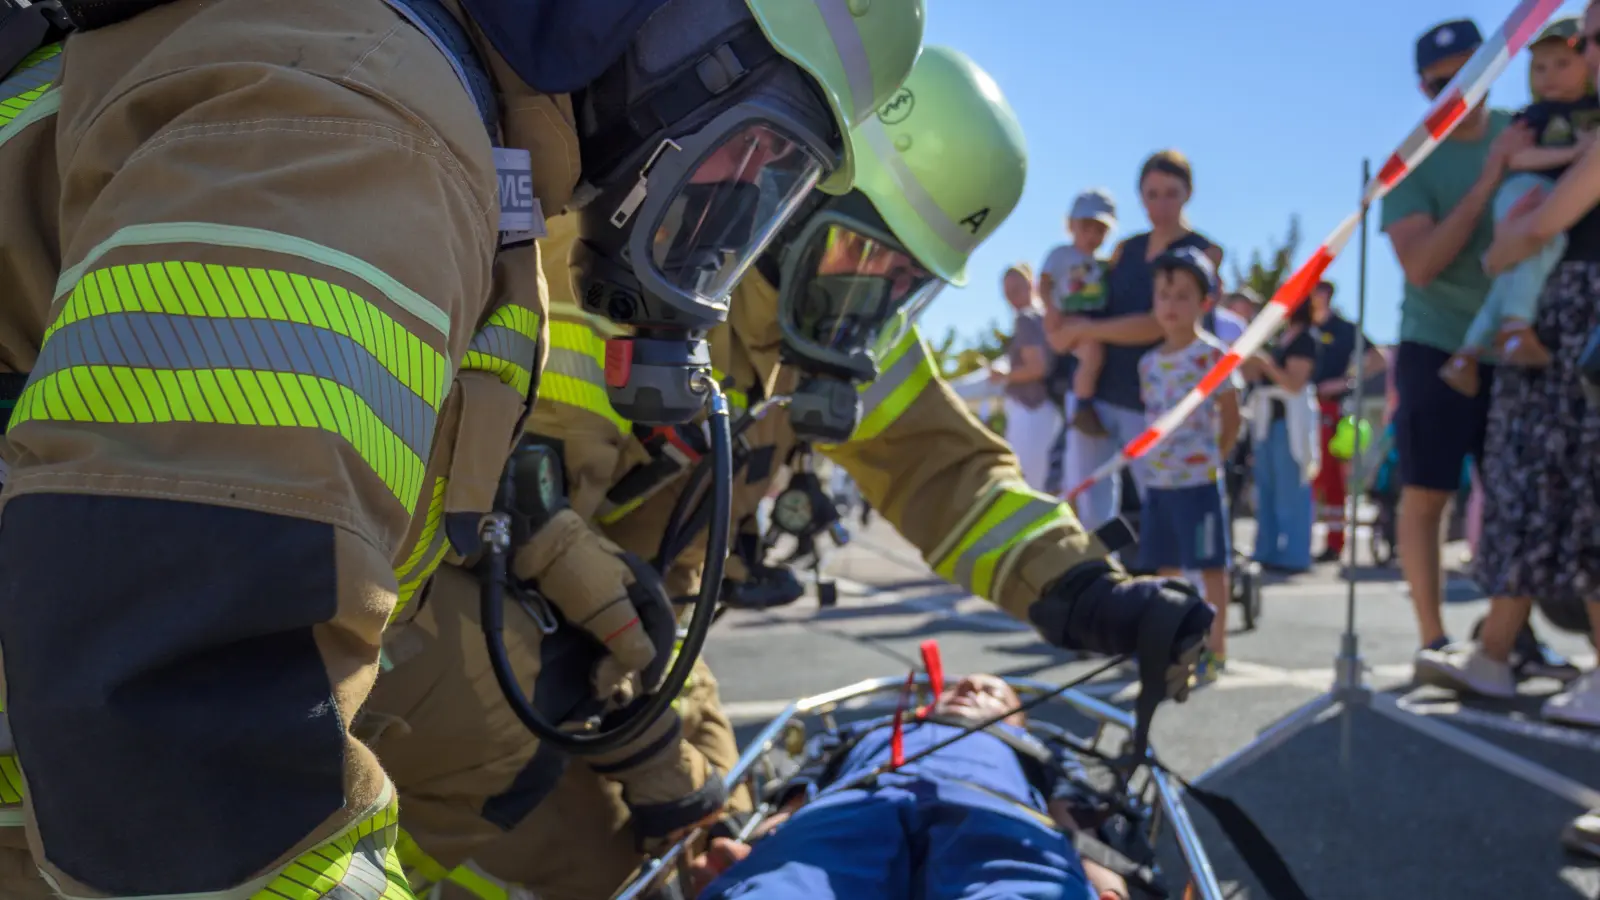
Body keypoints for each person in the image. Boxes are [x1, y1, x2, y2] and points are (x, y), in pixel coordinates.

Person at [0, 0, 928, 895]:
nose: (727, 204)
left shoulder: (429, 117)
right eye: (747, 149)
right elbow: (177, 728)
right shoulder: (366, 124)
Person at [359, 47, 1214, 900]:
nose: (872, 298)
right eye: (865, 257)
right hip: (464, 602)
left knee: (707, 835)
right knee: (568, 818)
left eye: (904, 283)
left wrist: (1089, 591)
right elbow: (528, 539)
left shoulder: (835, 323)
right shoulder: (599, 265)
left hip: (635, 625)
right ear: (791, 192)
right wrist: (654, 764)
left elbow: (948, 472)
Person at [1417, 0, 1600, 728]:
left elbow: (1543, 224)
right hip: (1552, 325)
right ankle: (1495, 648)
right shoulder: (1552, 124)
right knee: (1536, 485)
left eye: (1586, 44)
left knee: (1579, 490)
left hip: (1575, 318)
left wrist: (1522, 232)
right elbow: (1509, 244)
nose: (1580, 56)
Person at [688, 674, 1146, 900]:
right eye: (960, 686)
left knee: (1023, 886)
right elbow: (810, 779)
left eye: (992, 693)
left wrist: (1102, 875)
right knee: (783, 886)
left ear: (1018, 718)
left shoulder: (1031, 747)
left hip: (997, 810)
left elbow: (1072, 810)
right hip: (856, 802)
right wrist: (772, 835)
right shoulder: (872, 729)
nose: (969, 688)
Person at [1379, 16, 1536, 659]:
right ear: (1424, 88)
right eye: (1442, 83)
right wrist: (1487, 183)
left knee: (1519, 494)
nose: (1459, 91)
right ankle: (1433, 639)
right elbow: (1420, 264)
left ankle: (1508, 635)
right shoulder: (1412, 159)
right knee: (1427, 492)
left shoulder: (1529, 131)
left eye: (1471, 73)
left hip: (1516, 345)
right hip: (1436, 345)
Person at [1048, 149, 1224, 532]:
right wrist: (1062, 320)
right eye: (1151, 193)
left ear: (1187, 194)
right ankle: (1100, 583)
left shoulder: (1202, 253)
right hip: (1101, 394)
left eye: (1170, 193)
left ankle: (1184, 583)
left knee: (1164, 502)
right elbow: (1095, 303)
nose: (1160, 203)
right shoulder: (1126, 250)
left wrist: (1085, 331)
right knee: (1091, 503)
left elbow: (1161, 325)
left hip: (1157, 401)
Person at [1440, 16, 1597, 396]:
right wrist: (1578, 152)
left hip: (1564, 279)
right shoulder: (1535, 116)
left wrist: (1498, 254)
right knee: (1537, 251)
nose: (1551, 76)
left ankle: (1473, 349)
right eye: (1540, 67)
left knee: (1515, 272)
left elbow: (1533, 232)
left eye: (1564, 62)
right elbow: (1518, 160)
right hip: (1532, 202)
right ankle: (1509, 330)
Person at [1137, 248, 1242, 683]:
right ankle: (1177, 643)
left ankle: (1215, 647)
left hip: (1199, 483)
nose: (1171, 305)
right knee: (1167, 568)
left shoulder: (1212, 356)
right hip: (1159, 484)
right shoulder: (1147, 363)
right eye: (1164, 295)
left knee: (1210, 565)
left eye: (1183, 295)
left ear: (1205, 301)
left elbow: (1232, 414)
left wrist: (1216, 457)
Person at [1307, 280, 1386, 563]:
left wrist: (1346, 382)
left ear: (1327, 294)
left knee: (1331, 479)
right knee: (1307, 478)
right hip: (1300, 407)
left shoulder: (1343, 328)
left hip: (1331, 409)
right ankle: (1301, 540)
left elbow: (1378, 358)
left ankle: (1335, 542)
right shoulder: (1300, 326)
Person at [1242, 295, 1319, 574]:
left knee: (1291, 492)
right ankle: (1267, 549)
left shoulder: (1305, 340)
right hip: (1267, 423)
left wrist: (1265, 364)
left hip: (1288, 426)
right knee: (1267, 491)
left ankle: (1296, 554)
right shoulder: (1282, 338)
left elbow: (1294, 384)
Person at [1040, 189, 1119, 438]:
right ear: (1071, 225)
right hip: (1068, 318)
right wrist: (1050, 309)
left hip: (1093, 318)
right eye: (1086, 228)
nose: (1092, 236)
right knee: (1092, 353)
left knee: (1097, 353)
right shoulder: (1061, 254)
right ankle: (1082, 408)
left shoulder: (1103, 263)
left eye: (1100, 230)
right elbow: (1044, 282)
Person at [995, 263, 1062, 490]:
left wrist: (1005, 376)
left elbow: (1037, 368)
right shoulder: (1044, 318)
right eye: (1007, 292)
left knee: (1028, 483)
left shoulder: (1025, 319)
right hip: (1048, 409)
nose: (1011, 297)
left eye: (1017, 289)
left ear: (1031, 286)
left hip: (1031, 408)